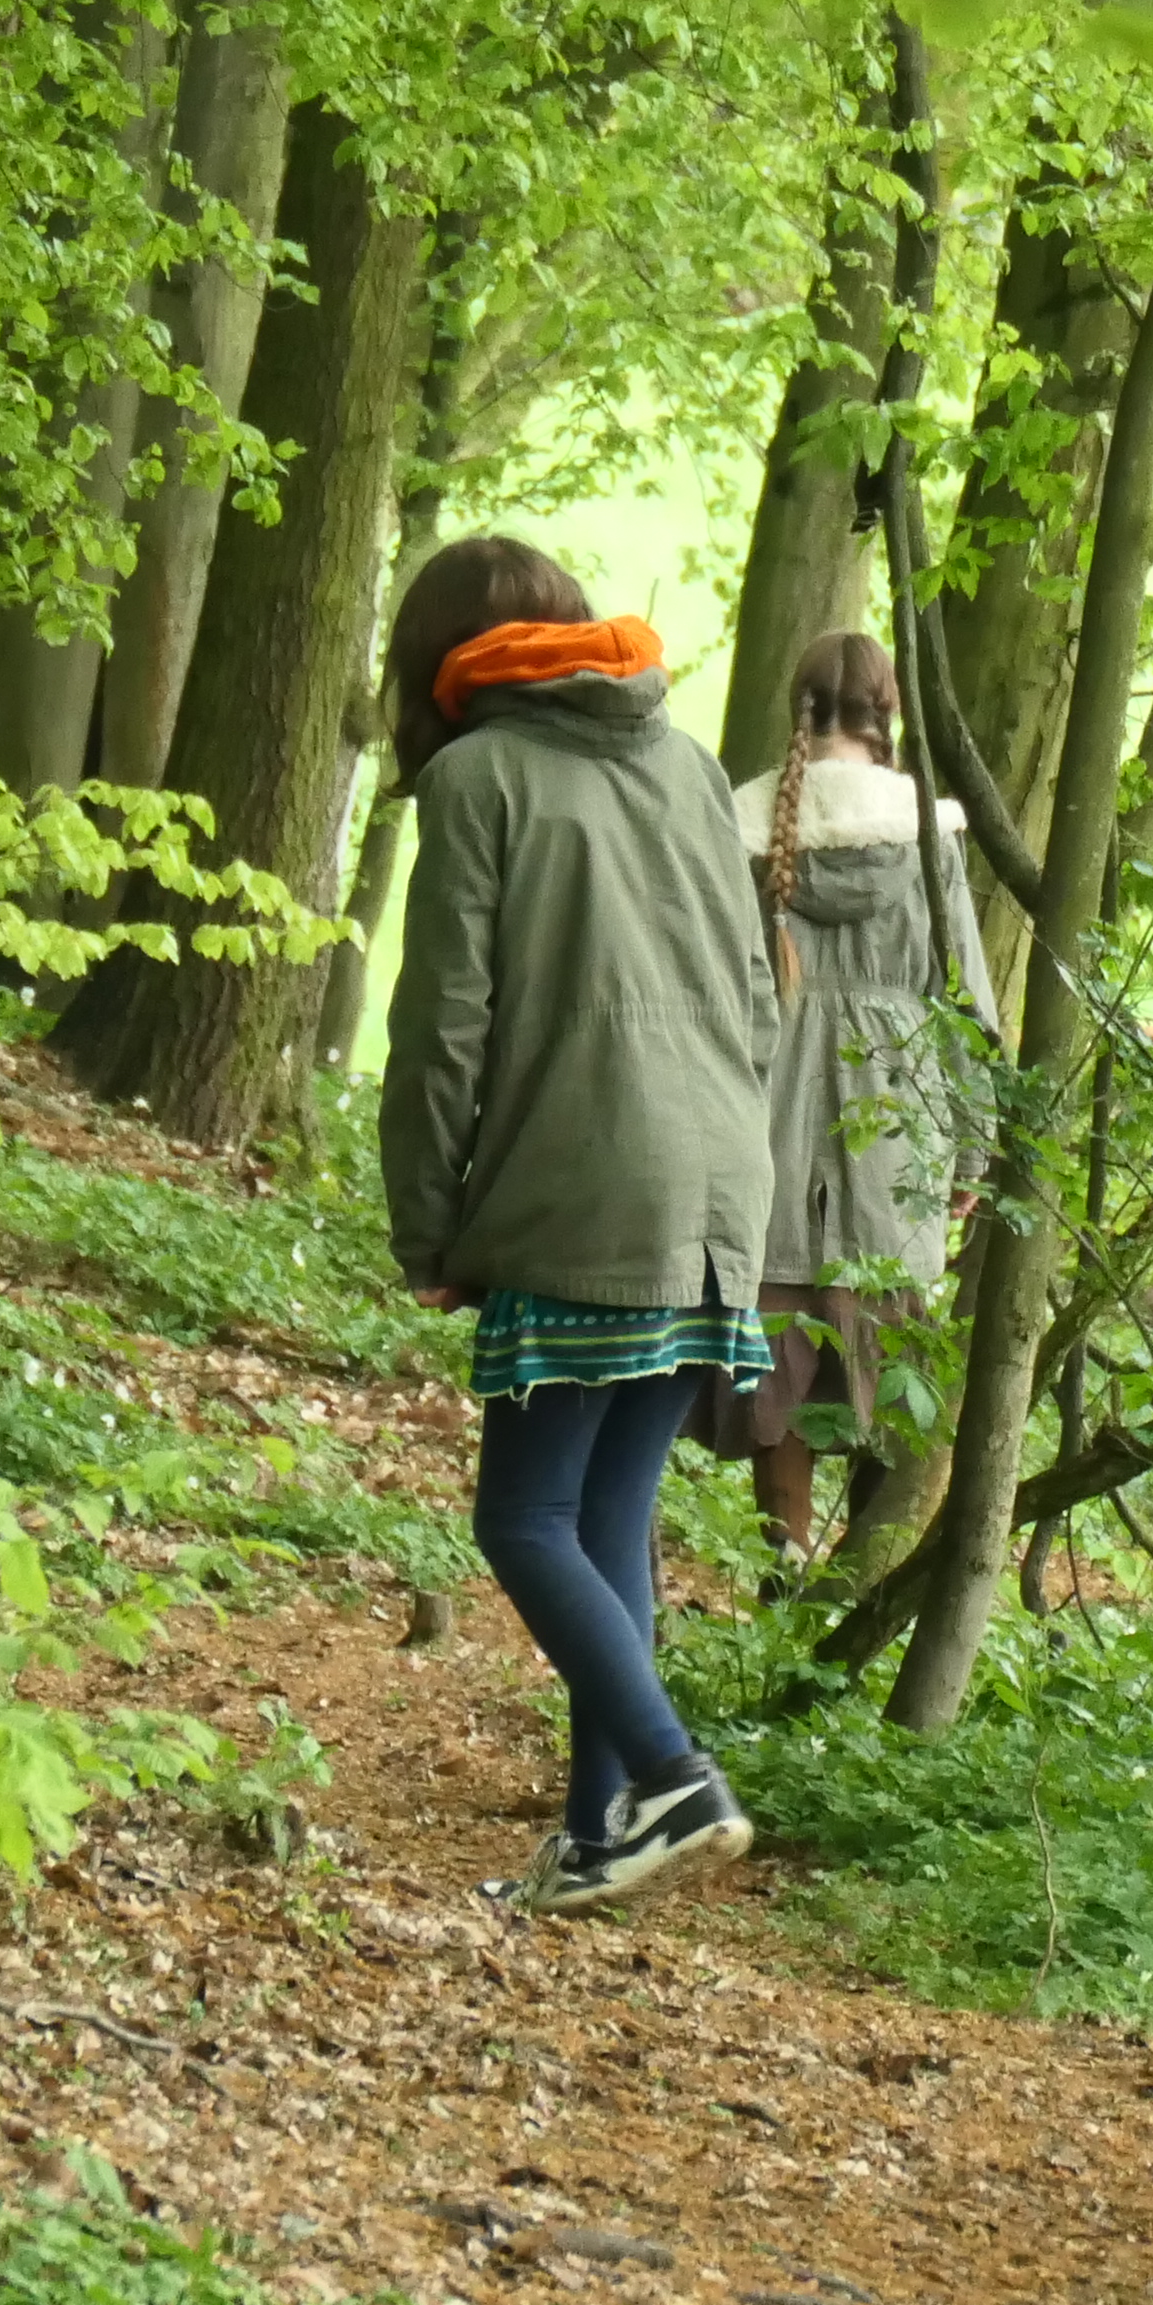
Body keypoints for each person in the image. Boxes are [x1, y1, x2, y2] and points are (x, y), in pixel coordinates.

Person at [376, 534, 783, 1915]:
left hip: (588, 1183)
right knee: (613, 1513)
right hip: (722, 1186)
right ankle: (605, 1835)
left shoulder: (475, 780)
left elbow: (443, 1029)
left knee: (526, 1516)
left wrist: (428, 1228)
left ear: (430, 664)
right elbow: (758, 994)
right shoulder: (688, 767)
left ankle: (672, 1776)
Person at [699, 631, 991, 1568]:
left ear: (799, 714)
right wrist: (973, 1153)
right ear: (888, 714)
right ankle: (864, 1590)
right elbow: (967, 1003)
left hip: (766, 1132)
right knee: (897, 1372)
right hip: (898, 1137)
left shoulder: (738, 829)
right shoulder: (927, 835)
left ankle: (782, 1565)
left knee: (775, 1365)